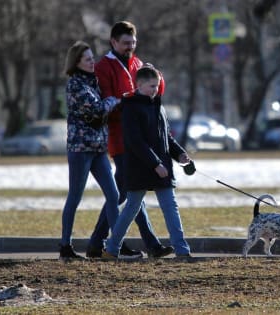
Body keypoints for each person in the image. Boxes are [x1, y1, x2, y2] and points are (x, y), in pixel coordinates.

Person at [86, 21, 172, 258]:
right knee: (128, 192)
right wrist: (130, 104)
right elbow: (107, 102)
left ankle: (98, 243)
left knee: (128, 192)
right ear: (113, 42)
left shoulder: (137, 63)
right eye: (125, 43)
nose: (130, 47)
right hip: (121, 139)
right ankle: (145, 244)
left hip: (140, 141)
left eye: (133, 43)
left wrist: (157, 77)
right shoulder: (104, 67)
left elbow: (154, 92)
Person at [102, 66, 191, 259]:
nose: (155, 90)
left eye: (157, 86)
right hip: (139, 168)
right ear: (139, 84)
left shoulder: (159, 106)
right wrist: (155, 164)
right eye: (152, 86)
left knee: (170, 206)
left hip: (161, 168)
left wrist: (180, 154)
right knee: (131, 208)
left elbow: (166, 138)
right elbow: (135, 141)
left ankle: (182, 250)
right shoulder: (130, 107)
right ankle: (111, 248)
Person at [59, 40, 120, 260]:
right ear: (77, 62)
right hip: (80, 149)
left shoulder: (93, 82)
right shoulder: (75, 84)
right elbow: (96, 109)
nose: (92, 61)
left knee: (113, 195)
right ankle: (65, 246)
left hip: (98, 148)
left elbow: (101, 109)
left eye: (93, 57)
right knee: (75, 197)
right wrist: (113, 100)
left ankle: (114, 246)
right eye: (87, 58)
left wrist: (109, 101)